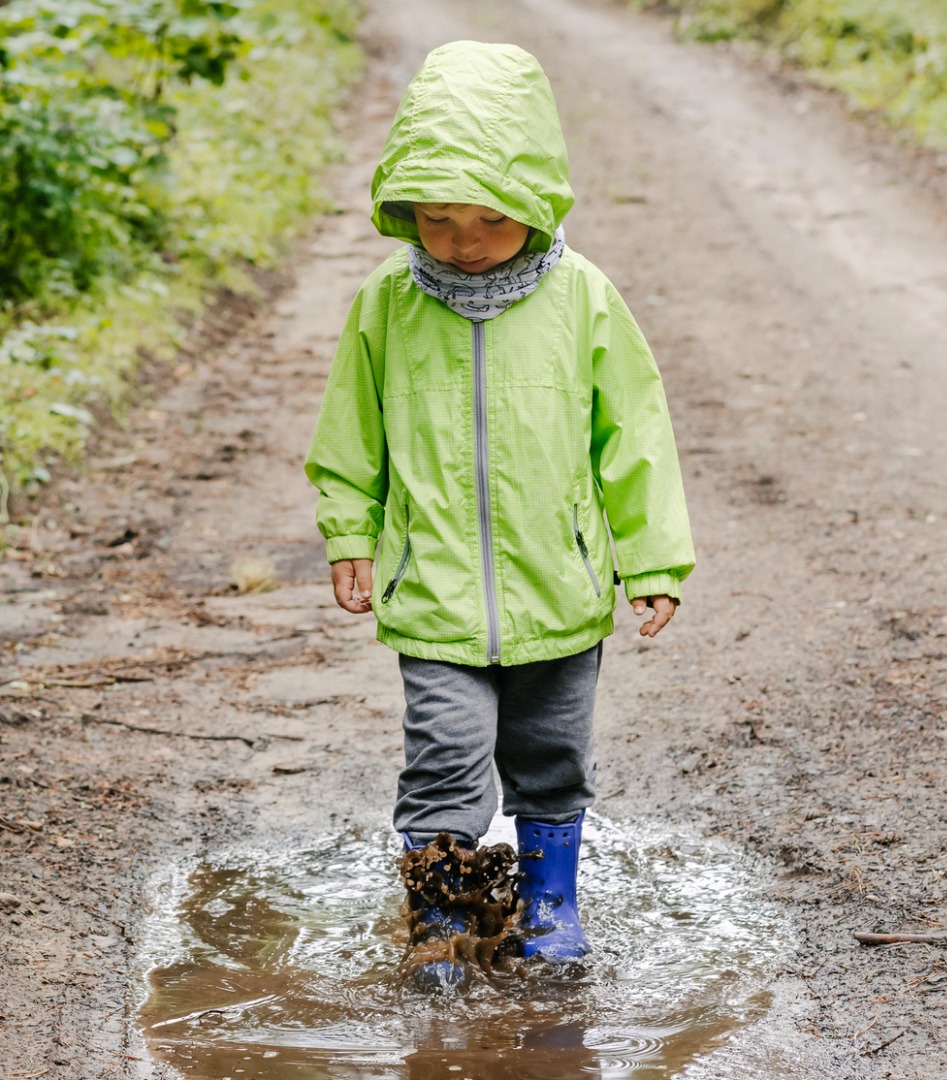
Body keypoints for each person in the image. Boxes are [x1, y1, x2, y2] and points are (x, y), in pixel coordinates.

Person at [303, 40, 695, 990]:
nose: (462, 240)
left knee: (551, 755)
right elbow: (350, 435)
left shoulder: (583, 300)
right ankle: (439, 913)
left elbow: (631, 436)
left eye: (488, 218)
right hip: (433, 591)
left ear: (538, 202)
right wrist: (350, 532)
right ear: (406, 209)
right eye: (435, 218)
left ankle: (549, 900)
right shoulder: (387, 307)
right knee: (442, 756)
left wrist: (651, 560)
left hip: (556, 588)